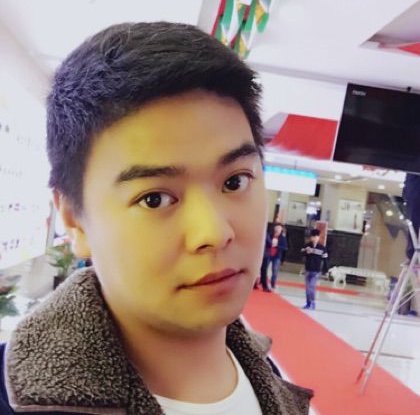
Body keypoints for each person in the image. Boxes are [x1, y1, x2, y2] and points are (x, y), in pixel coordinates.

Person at [0, 22, 312, 414]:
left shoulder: (266, 371)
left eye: (235, 181)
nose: (215, 232)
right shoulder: (18, 399)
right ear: (73, 220)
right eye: (155, 199)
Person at [301, 229, 328, 310]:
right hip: (308, 269)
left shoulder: (322, 248)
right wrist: (306, 252)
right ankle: (308, 303)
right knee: (307, 288)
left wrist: (325, 270)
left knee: (311, 287)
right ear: (311, 237)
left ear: (318, 237)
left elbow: (325, 260)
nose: (315, 238)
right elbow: (301, 253)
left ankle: (313, 302)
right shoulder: (307, 246)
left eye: (316, 237)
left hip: (316, 271)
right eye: (313, 237)